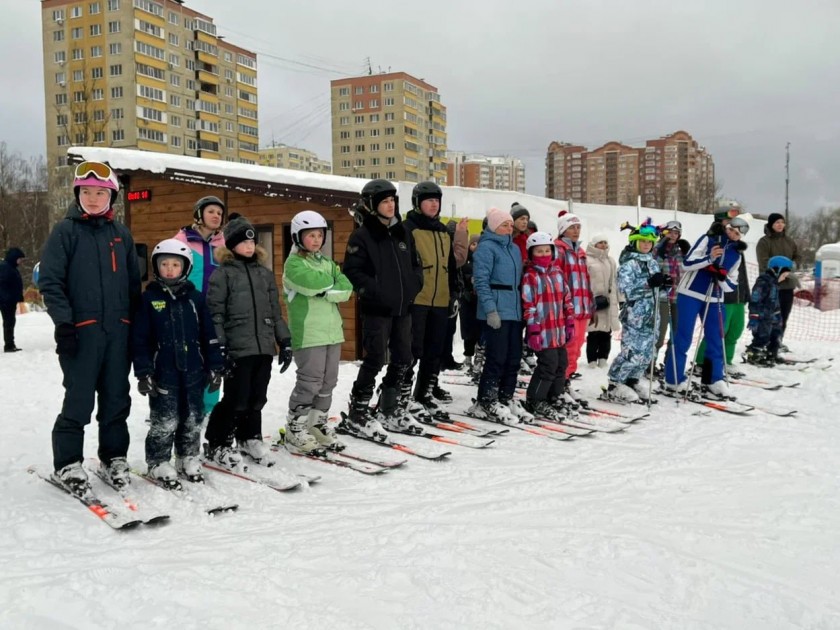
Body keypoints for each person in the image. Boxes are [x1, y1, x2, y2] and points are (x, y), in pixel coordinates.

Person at [39, 161, 141, 494]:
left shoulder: (121, 234)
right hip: (81, 334)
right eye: (86, 192)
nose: (93, 199)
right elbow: (51, 283)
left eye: (100, 193)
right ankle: (68, 462)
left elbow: (132, 286)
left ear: (111, 196)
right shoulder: (65, 232)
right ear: (77, 194)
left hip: (118, 332)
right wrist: (64, 325)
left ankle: (114, 457)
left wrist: (136, 327)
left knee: (116, 399)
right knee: (79, 399)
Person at [132, 239, 224, 486]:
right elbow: (140, 340)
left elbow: (209, 336)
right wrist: (144, 373)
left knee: (193, 417)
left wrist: (216, 367)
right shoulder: (149, 299)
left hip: (195, 371)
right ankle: (158, 461)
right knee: (165, 420)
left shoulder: (195, 298)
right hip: (164, 372)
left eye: (175, 264)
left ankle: (188, 457)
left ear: (185, 267)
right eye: (164, 264)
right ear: (156, 267)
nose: (170, 269)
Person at [204, 216, 293, 468]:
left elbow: (275, 311)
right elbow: (216, 313)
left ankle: (249, 438)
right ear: (231, 245)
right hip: (237, 347)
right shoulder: (223, 275)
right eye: (243, 242)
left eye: (252, 242)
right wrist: (219, 345)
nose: (249, 246)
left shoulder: (264, 275)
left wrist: (284, 341)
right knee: (236, 397)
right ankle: (218, 442)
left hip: (263, 346)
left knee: (257, 397)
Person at [342, 179, 424, 441]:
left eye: (392, 201)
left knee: (403, 358)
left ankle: (390, 408)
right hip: (377, 310)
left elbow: (415, 266)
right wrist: (376, 292)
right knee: (375, 359)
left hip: (403, 308)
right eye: (385, 202)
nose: (390, 206)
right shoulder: (362, 235)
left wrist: (413, 287)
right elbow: (353, 271)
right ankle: (358, 411)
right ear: (371, 205)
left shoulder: (402, 233)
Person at [282, 211, 353, 454]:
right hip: (309, 333)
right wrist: (328, 285)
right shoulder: (293, 264)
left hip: (332, 331)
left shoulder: (326, 262)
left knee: (328, 381)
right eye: (310, 235)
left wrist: (327, 287)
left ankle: (317, 424)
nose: (316, 240)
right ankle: (295, 426)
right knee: (310, 382)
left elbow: (346, 288)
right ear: (298, 236)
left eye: (320, 235)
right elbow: (312, 284)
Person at [663, 215, 749, 398]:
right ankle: (673, 380)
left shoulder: (737, 255)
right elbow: (686, 263)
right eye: (731, 230)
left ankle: (714, 379)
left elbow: (732, 284)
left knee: (716, 337)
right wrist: (709, 259)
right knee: (684, 337)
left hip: (715, 298)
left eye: (738, 233)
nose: (733, 234)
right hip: (691, 293)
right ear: (727, 227)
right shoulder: (708, 239)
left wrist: (722, 277)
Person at [401, 182, 468, 416]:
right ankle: (401, 395)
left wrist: (452, 295)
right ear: (417, 203)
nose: (434, 204)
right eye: (429, 200)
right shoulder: (407, 228)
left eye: (436, 200)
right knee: (412, 350)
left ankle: (424, 393)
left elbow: (451, 266)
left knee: (434, 350)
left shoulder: (442, 231)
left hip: (440, 301)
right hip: (417, 301)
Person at [467, 208, 531, 424]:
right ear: (494, 226)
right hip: (495, 310)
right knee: (496, 357)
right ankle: (486, 400)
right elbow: (482, 282)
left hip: (513, 310)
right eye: (505, 224)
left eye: (511, 225)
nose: (509, 228)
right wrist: (490, 310)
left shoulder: (513, 249)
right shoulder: (486, 248)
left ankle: (506, 396)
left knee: (513, 358)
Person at [603, 220, 669, 403]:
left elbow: (657, 291)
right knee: (632, 352)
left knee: (648, 352)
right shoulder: (629, 264)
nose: (646, 245)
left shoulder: (653, 263)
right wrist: (649, 283)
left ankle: (632, 380)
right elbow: (626, 290)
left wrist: (665, 286)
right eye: (643, 242)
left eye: (649, 242)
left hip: (652, 315)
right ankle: (615, 383)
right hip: (636, 315)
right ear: (635, 242)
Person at [174, 195, 227, 415]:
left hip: (214, 313)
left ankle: (209, 409)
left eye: (219, 213)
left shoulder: (222, 244)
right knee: (184, 359)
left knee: (213, 359)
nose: (216, 216)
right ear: (199, 214)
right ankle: (179, 406)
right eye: (211, 211)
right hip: (187, 309)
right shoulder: (181, 240)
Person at [520, 232, 573, 420]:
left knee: (561, 364)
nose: (543, 255)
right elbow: (529, 305)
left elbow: (567, 299)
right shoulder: (530, 277)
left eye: (546, 251)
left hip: (558, 331)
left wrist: (570, 321)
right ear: (531, 254)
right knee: (548, 365)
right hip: (542, 332)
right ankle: (535, 399)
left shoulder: (558, 273)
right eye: (539, 252)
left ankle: (554, 396)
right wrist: (533, 329)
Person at [695, 210, 750, 380]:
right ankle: (702, 362)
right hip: (722, 295)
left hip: (738, 295)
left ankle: (727, 361)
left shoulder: (737, 246)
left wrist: (746, 293)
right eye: (729, 221)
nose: (733, 226)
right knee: (719, 330)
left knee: (735, 330)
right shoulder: (717, 237)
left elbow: (740, 273)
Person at [554, 212, 594, 384]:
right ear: (563, 230)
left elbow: (586, 280)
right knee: (568, 347)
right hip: (568, 309)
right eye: (572, 227)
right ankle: (560, 383)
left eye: (578, 227)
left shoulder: (581, 252)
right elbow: (556, 279)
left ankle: (566, 380)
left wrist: (590, 305)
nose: (576, 231)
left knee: (577, 348)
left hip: (582, 308)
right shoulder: (559, 250)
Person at [755, 213, 800, 348]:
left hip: (788, 285)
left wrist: (790, 269)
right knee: (769, 316)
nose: (780, 225)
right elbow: (763, 262)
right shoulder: (764, 242)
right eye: (777, 222)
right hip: (771, 286)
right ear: (771, 224)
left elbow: (797, 257)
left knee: (783, 316)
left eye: (782, 222)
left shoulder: (789, 241)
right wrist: (776, 275)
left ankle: (778, 341)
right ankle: (765, 342)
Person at [651, 221, 689, 372]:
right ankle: (649, 364)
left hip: (678, 296)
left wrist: (688, 253)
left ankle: (670, 364)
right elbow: (652, 267)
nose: (673, 235)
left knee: (676, 333)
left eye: (676, 233)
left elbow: (688, 269)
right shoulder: (657, 249)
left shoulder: (681, 251)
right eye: (670, 232)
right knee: (659, 332)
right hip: (662, 296)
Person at [743, 256, 793, 366]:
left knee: (776, 335)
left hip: (772, 316)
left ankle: (772, 354)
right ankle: (753, 354)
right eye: (784, 275)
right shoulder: (763, 282)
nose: (785, 278)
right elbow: (755, 299)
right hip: (761, 317)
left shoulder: (775, 283)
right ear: (777, 270)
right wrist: (754, 316)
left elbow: (774, 302)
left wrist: (777, 315)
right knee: (762, 336)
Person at [585, 234, 620, 368]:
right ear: (594, 245)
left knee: (607, 331)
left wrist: (618, 298)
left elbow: (615, 280)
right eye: (600, 243)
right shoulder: (586, 260)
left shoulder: (610, 260)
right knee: (593, 331)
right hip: (594, 300)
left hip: (608, 300)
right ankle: (592, 359)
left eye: (605, 242)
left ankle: (603, 357)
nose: (604, 245)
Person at [459, 234, 482, 376]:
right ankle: (468, 356)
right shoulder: (464, 262)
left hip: (480, 301)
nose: (476, 247)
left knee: (479, 330)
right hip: (467, 301)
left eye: (478, 244)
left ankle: (479, 357)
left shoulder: (484, 261)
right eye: (473, 244)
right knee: (468, 331)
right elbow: (460, 278)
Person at [0, 247, 25, 352]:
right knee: (9, 322)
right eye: (20, 259)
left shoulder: (10, 267)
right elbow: (4, 285)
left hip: (8, 300)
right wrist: (8, 298)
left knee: (9, 322)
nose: (21, 261)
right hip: (6, 301)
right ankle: (9, 345)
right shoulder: (6, 268)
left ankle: (10, 344)